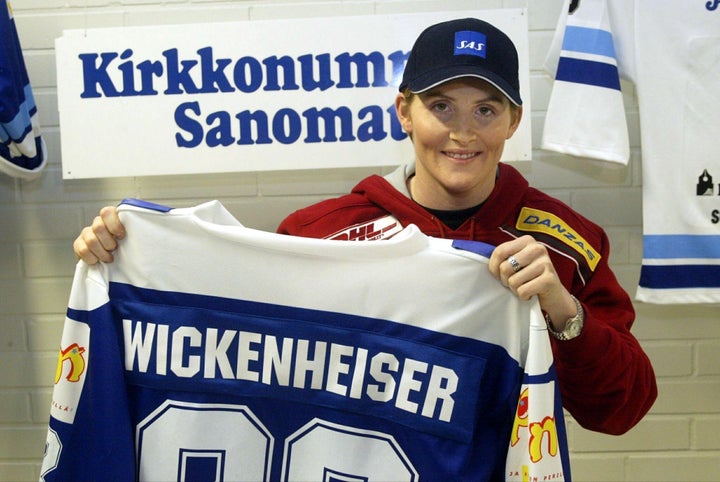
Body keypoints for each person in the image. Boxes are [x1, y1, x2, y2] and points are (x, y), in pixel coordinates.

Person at [73, 17, 656, 436]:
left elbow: (621, 410)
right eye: (441, 106)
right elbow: (236, 348)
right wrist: (124, 257)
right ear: (404, 111)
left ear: (514, 122)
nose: (463, 131)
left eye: (486, 109)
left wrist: (563, 311)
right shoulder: (315, 232)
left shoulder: (566, 242)